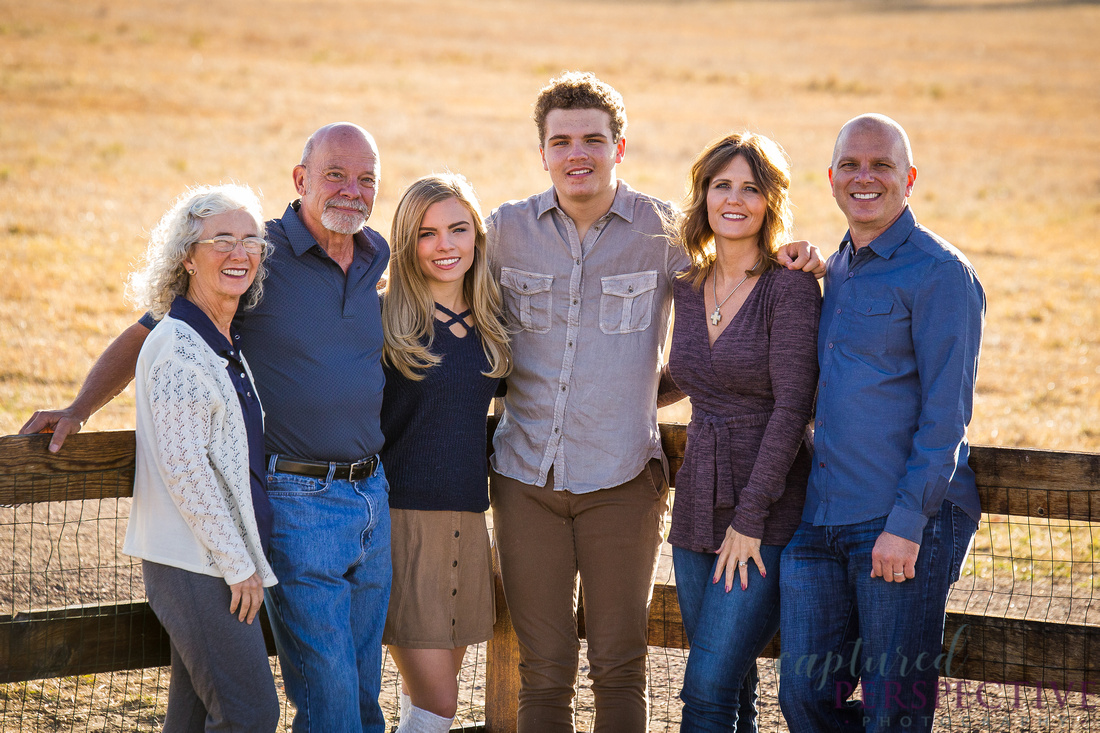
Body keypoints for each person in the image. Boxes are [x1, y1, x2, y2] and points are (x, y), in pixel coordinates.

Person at [22, 123, 393, 732]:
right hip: (296, 500)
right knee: (316, 696)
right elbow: (155, 330)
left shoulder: (373, 254)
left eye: (366, 179)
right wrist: (81, 407)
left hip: (369, 496)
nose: (351, 190)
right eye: (335, 175)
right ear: (301, 180)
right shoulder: (256, 250)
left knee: (357, 685)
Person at [486, 71, 824, 732]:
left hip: (622, 479)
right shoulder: (503, 231)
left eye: (593, 138)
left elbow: (740, 274)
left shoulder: (666, 234)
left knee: (621, 664)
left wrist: (807, 256)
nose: (576, 152)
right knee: (543, 667)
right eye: (561, 140)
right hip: (524, 475)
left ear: (620, 146)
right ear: (543, 151)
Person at [777, 114, 986, 733]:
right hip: (821, 518)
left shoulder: (940, 274)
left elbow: (947, 416)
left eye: (882, 165)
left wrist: (906, 525)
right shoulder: (837, 266)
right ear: (832, 178)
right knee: (804, 699)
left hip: (900, 520)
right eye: (851, 165)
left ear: (909, 178)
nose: (864, 177)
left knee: (894, 711)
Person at [661, 133, 820, 732]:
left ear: (770, 202)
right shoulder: (686, 281)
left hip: (764, 508)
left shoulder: (790, 285)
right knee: (732, 685)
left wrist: (751, 518)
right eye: (721, 185)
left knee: (704, 689)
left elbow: (792, 407)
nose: (734, 200)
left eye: (751, 188)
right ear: (702, 196)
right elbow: (686, 375)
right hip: (696, 499)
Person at [122, 184, 279, 732]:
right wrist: (239, 567)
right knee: (251, 714)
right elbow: (186, 471)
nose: (240, 253)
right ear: (187, 256)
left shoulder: (220, 339)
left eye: (251, 241)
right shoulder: (177, 348)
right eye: (222, 241)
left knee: (191, 720)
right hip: (196, 564)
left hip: (212, 560)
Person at [379, 174, 511, 733]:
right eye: (427, 233)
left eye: (459, 229)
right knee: (440, 702)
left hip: (467, 517)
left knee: (426, 701)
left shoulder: (493, 323)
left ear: (478, 237)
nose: (445, 245)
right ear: (407, 243)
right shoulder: (382, 317)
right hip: (399, 523)